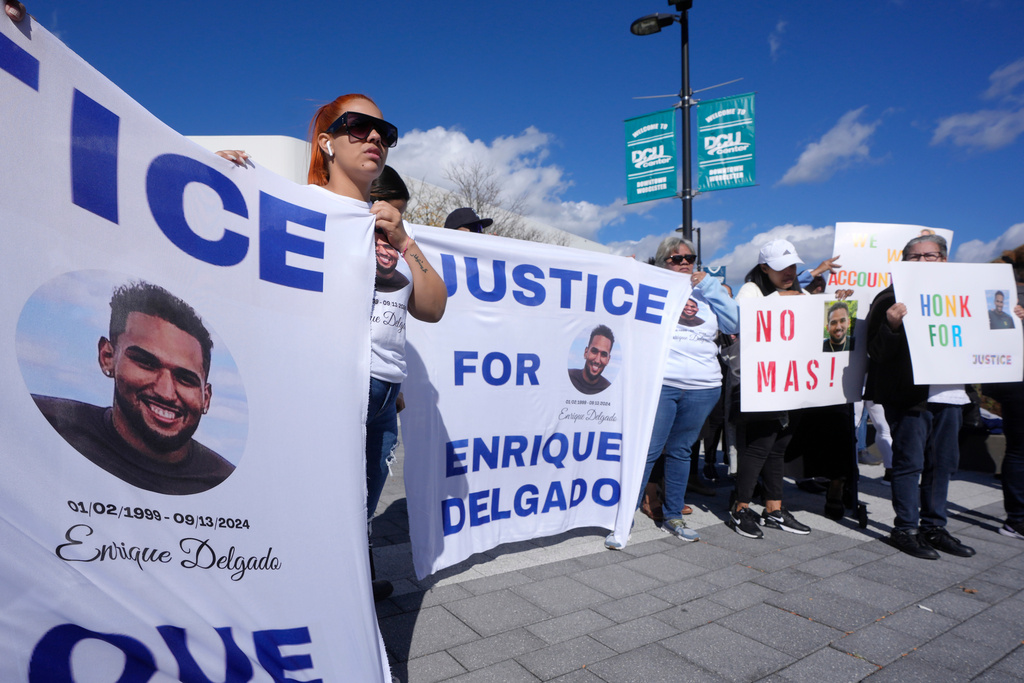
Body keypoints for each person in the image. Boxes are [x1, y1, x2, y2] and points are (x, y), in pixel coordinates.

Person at [32, 281, 234, 495]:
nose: (165, 392)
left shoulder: (228, 486)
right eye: (146, 364)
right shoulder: (38, 424)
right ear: (107, 357)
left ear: (206, 397)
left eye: (185, 379)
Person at [606, 236, 738, 549]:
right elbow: (618, 311)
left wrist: (710, 287)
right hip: (662, 383)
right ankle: (623, 517)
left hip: (704, 386)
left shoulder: (708, 293)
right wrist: (625, 274)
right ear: (664, 261)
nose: (684, 263)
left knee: (681, 450)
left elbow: (735, 321)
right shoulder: (654, 288)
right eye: (676, 259)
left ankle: (674, 515)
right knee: (649, 449)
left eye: (689, 258)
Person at [864, 234, 975, 559]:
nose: (924, 261)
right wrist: (892, 326)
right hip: (910, 397)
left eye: (932, 255)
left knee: (943, 464)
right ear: (904, 262)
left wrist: (1008, 321)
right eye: (916, 257)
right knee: (909, 463)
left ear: (944, 259)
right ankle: (906, 528)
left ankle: (934, 527)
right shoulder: (889, 298)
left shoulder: (962, 297)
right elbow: (876, 353)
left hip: (950, 393)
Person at [729, 239, 813, 538]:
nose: (788, 272)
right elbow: (743, 321)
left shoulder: (797, 291)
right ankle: (740, 508)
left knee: (778, 447)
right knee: (759, 447)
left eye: (792, 265)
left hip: (790, 381)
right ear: (764, 268)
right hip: (759, 382)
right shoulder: (751, 290)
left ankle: (774, 508)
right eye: (781, 267)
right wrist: (784, 298)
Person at [983, 246, 1024, 541]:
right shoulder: (1011, 297)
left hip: (1011, 383)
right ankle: (1017, 519)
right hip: (1016, 381)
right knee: (1020, 450)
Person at [568, 325, 614, 395]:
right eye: (594, 351)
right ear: (586, 352)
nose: (597, 360)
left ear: (608, 360)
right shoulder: (568, 377)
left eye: (603, 355)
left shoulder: (610, 391)